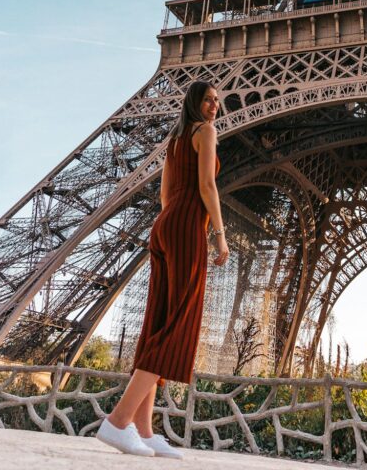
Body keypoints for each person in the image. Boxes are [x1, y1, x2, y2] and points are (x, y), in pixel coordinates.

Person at [97, 80, 229, 458]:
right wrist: (218, 234)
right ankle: (118, 421)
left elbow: (164, 194)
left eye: (217, 101)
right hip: (188, 225)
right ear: (194, 102)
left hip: (166, 224)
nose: (214, 107)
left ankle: (143, 428)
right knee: (177, 325)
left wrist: (173, 221)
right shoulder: (205, 132)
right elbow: (207, 185)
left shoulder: (175, 139)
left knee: (157, 322)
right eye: (208, 100)